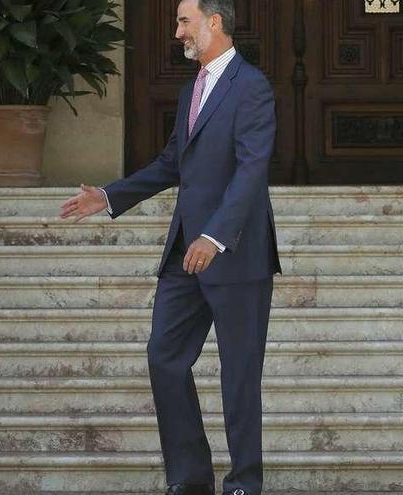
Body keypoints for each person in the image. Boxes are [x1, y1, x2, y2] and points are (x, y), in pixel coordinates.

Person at [61, 1, 280, 494]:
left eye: (184, 21)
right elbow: (169, 164)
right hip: (185, 254)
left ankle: (244, 482)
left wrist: (215, 235)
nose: (177, 31)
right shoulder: (190, 92)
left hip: (236, 254)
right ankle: (190, 477)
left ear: (214, 22)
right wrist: (108, 195)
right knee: (164, 358)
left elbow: (251, 170)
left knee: (239, 377)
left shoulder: (251, 87)